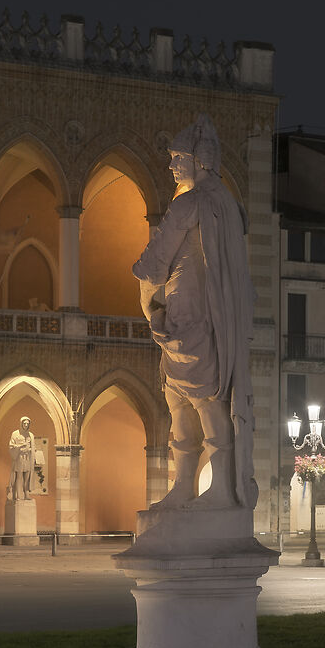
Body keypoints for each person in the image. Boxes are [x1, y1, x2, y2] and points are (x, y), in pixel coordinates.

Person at [133, 115, 256, 512]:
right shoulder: (228, 206)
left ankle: (203, 488)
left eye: (176, 159)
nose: (171, 167)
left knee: (193, 403)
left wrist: (146, 294)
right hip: (212, 319)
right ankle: (192, 487)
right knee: (193, 400)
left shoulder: (189, 203)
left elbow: (155, 260)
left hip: (187, 313)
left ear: (197, 160)